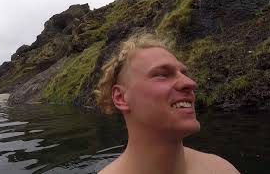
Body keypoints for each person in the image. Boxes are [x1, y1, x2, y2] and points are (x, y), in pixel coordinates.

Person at [95, 34, 240, 174]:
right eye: (162, 75)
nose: (190, 83)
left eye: (184, 74)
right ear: (121, 98)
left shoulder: (222, 169)